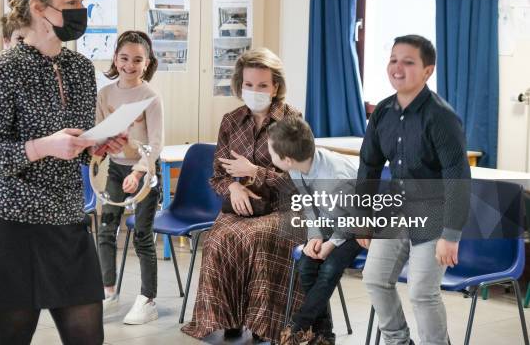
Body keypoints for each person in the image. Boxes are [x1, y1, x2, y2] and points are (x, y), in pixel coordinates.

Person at [0, 0, 125, 345]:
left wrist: (97, 145)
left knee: (88, 335)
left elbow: (74, 148)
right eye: (71, 1)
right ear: (39, 8)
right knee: (14, 335)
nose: (80, 10)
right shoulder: (2, 70)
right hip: (10, 220)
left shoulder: (80, 69)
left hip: (66, 216)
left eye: (82, 1)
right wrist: (44, 146)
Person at [181, 48, 304, 343]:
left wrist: (254, 171)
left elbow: (299, 181)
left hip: (283, 210)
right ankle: (228, 319)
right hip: (241, 206)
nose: (255, 90)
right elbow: (218, 175)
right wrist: (234, 187)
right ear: (240, 85)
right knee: (216, 239)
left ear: (275, 86)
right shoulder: (231, 121)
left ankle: (263, 326)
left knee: (255, 239)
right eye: (249, 84)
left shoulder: (292, 122)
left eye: (263, 85)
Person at [358, 35, 471, 345]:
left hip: (434, 215)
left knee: (422, 291)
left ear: (427, 71)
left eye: (408, 62)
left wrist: (451, 235)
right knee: (375, 279)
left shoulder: (441, 116)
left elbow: (457, 176)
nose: (398, 67)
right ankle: (398, 341)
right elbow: (368, 167)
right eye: (394, 59)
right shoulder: (382, 112)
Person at [267, 116, 362, 345]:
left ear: (287, 159)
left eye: (271, 152)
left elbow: (355, 218)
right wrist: (316, 236)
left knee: (329, 269)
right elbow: (308, 204)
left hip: (362, 226)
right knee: (307, 265)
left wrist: (331, 244)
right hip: (333, 221)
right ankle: (324, 334)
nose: (269, 155)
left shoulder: (335, 179)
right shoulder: (299, 167)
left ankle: (296, 326)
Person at [96, 30, 164, 324]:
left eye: (137, 60)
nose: (130, 65)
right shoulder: (105, 95)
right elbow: (98, 138)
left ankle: (148, 299)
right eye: (124, 58)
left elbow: (157, 144)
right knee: (106, 229)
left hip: (144, 172)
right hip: (114, 169)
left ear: (147, 63)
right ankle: (108, 293)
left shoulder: (151, 97)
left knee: (142, 236)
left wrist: (139, 172)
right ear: (115, 58)